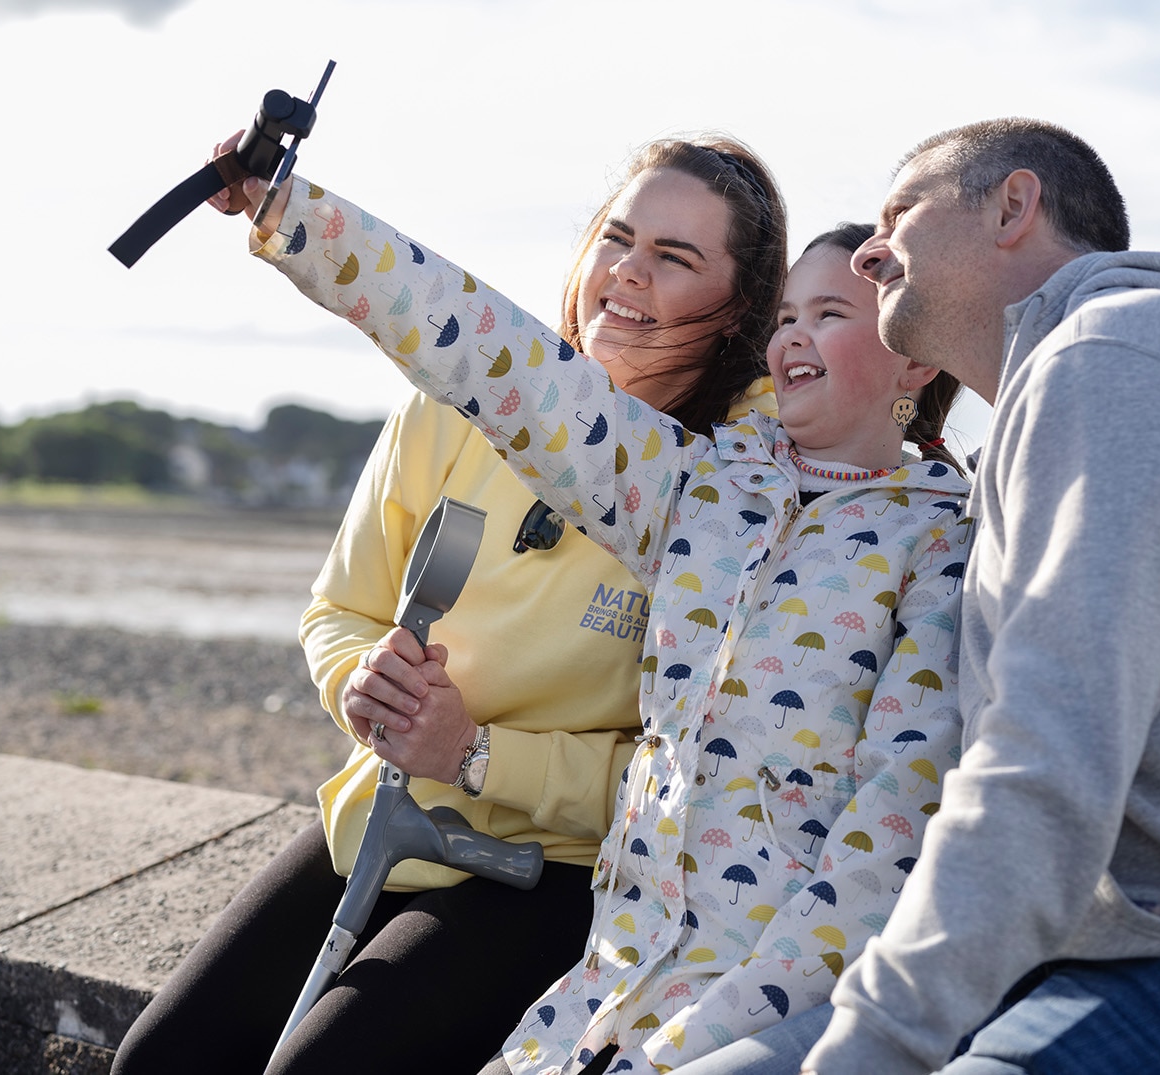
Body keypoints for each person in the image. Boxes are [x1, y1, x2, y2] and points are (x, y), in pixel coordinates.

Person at [699, 118, 1160, 1075]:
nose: (873, 250)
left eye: (901, 213)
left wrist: (875, 1043)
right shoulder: (1070, 386)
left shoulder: (1121, 356)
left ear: (1014, 205)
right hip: (1084, 961)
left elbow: (1046, 757)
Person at [243, 151, 978, 1075]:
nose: (794, 336)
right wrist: (293, 211)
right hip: (611, 971)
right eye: (788, 314)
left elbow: (887, 832)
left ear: (914, 352)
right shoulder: (699, 488)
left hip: (739, 991)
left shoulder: (943, 545)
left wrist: (709, 1030)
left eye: (830, 315)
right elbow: (473, 342)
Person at [110, 136, 787, 1075]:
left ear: (737, 311)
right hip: (389, 809)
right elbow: (339, 609)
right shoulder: (452, 405)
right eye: (617, 237)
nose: (626, 272)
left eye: (674, 258)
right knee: (159, 1062)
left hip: (558, 870)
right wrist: (366, 688)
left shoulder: (733, 490)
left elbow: (688, 785)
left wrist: (475, 752)